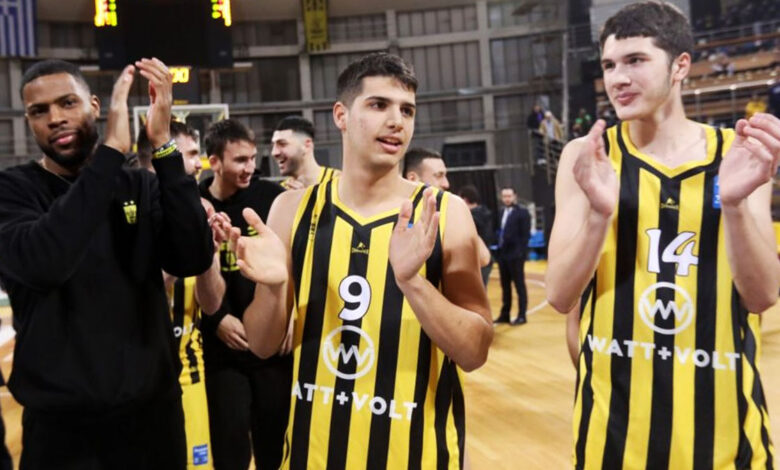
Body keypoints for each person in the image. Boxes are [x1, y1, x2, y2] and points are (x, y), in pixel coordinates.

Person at [230, 52, 492, 470]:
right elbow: (262, 345)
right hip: (312, 456)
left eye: (407, 110)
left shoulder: (445, 213)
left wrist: (413, 283)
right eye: (379, 105)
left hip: (416, 457)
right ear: (342, 115)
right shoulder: (291, 210)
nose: (397, 121)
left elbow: (475, 352)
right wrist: (274, 288)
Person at [546, 2, 779, 467]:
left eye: (635, 60)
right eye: (609, 65)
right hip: (614, 441)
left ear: (680, 66)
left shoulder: (736, 153)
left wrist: (733, 205)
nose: (617, 78)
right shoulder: (587, 155)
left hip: (726, 439)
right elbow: (559, 293)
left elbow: (762, 296)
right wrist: (599, 216)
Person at [0, 58, 213, 468]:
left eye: (67, 103)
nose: (55, 119)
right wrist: (112, 151)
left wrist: (164, 146)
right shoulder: (13, 191)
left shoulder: (139, 184)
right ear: (28, 121)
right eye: (39, 111)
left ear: (95, 106)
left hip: (152, 422)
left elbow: (192, 256)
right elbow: (46, 261)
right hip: (62, 432)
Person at [198, 118, 289, 470]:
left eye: (252, 158)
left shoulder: (273, 198)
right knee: (231, 448)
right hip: (223, 351)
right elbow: (190, 274)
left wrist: (289, 318)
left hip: (271, 350)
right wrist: (217, 318)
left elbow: (293, 264)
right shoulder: (196, 204)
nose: (250, 167)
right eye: (240, 160)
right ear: (214, 162)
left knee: (274, 448)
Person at [138, 120, 229, 470]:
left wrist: (205, 250)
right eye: (188, 155)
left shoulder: (200, 210)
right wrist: (184, 247)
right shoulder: (127, 208)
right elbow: (136, 292)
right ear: (157, 157)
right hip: (136, 377)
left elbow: (212, 303)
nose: (197, 163)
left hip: (189, 374)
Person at [494, 187, 531, 325]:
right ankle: (505, 314)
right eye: (504, 196)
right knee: (505, 286)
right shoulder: (500, 212)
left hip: (516, 255)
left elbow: (525, 235)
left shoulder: (523, 213)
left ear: (515, 196)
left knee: (519, 285)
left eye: (509, 196)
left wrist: (520, 253)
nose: (507, 199)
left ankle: (522, 315)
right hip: (503, 255)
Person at [271, 115, 337, 190]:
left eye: (282, 144)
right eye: (273, 145)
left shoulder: (339, 182)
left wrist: (305, 196)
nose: (274, 152)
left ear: (307, 145)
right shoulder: (279, 191)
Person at [459, 185, 496, 286]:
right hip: (486, 257)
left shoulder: (469, 217)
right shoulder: (486, 213)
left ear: (465, 199)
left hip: (477, 259)